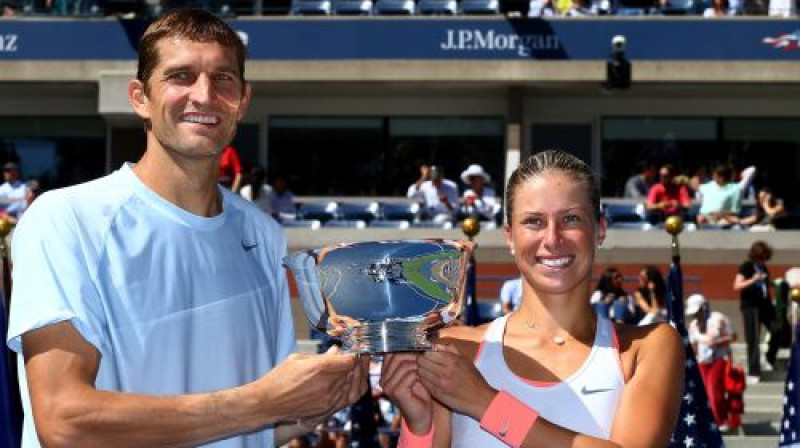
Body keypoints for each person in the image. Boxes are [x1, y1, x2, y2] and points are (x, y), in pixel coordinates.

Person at [5, 9, 369, 448]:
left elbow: (256, 424)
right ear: (139, 97)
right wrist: (260, 403)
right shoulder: (65, 219)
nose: (204, 95)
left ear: (244, 99)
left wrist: (311, 405)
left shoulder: (262, 234)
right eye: (180, 76)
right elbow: (65, 421)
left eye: (223, 79)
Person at [380, 150, 683, 448]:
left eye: (571, 219)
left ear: (600, 230)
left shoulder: (649, 347)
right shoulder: (453, 350)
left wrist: (484, 403)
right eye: (534, 222)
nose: (552, 239)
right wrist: (419, 426)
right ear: (509, 236)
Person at [686, 293, 737, 431]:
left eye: (698, 311)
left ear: (704, 307)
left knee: (714, 389)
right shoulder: (693, 325)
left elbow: (733, 336)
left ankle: (721, 420)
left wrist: (717, 342)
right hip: (702, 361)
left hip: (718, 359)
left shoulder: (718, 318)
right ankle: (710, 420)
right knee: (704, 392)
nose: (696, 315)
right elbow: (693, 345)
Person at [733, 240, 779, 384]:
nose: (763, 261)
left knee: (777, 329)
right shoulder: (747, 267)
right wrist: (753, 280)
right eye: (761, 258)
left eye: (765, 258)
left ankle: (768, 358)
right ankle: (754, 371)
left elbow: (764, 285)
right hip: (751, 306)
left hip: (765, 305)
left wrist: (772, 284)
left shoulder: (763, 268)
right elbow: (737, 285)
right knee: (753, 337)